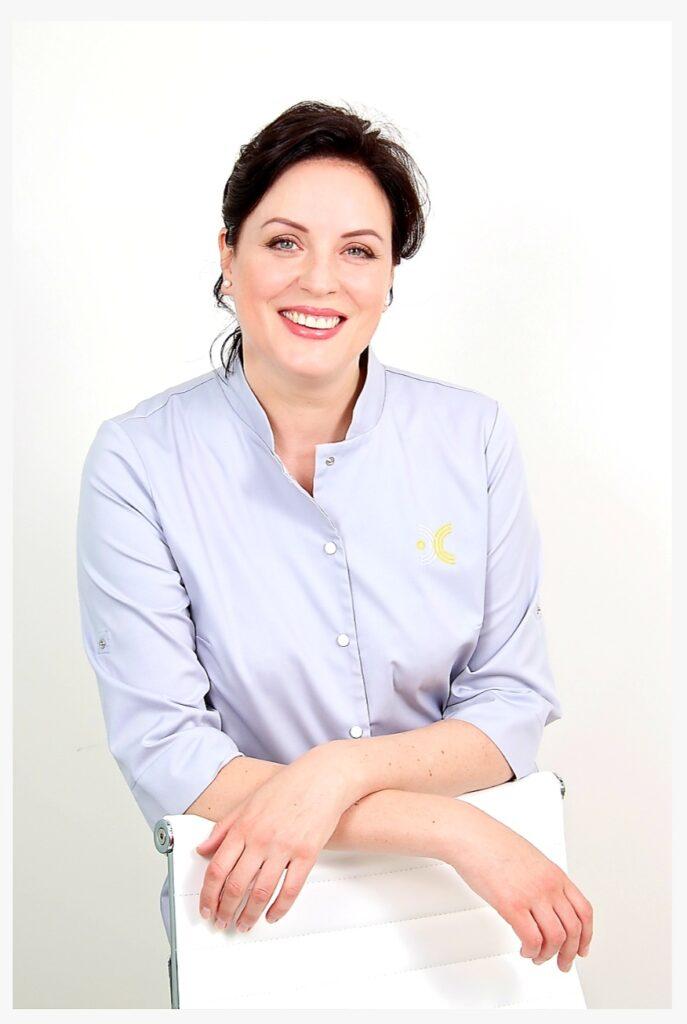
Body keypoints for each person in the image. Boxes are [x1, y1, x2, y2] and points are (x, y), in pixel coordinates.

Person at [76, 100, 592, 979]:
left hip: (474, 915)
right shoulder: (139, 461)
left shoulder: (471, 437)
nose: (320, 281)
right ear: (228, 256)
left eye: (358, 251)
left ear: (388, 277)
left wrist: (334, 773)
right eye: (284, 242)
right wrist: (454, 828)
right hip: (257, 914)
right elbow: (170, 753)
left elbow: (508, 704)